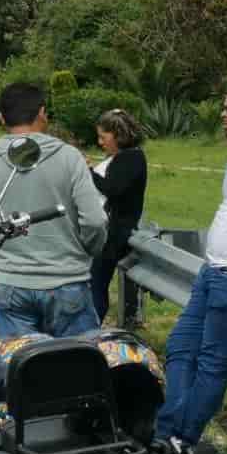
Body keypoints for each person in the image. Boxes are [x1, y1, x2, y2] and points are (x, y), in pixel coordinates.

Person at [0, 81, 108, 338]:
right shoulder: (69, 158)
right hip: (68, 283)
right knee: (79, 370)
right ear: (42, 113)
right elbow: (95, 221)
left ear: (1, 118)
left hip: (11, 284)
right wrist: (87, 252)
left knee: (22, 371)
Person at [153, 92, 227, 451]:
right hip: (210, 270)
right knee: (180, 345)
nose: (223, 113)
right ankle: (168, 430)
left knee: (213, 364)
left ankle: (180, 437)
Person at [89, 108, 147, 328]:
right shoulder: (125, 157)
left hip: (117, 233)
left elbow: (112, 189)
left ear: (117, 135)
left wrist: (89, 172)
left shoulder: (131, 159)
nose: (100, 142)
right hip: (113, 230)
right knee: (95, 282)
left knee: (97, 283)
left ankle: (92, 328)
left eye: (103, 137)